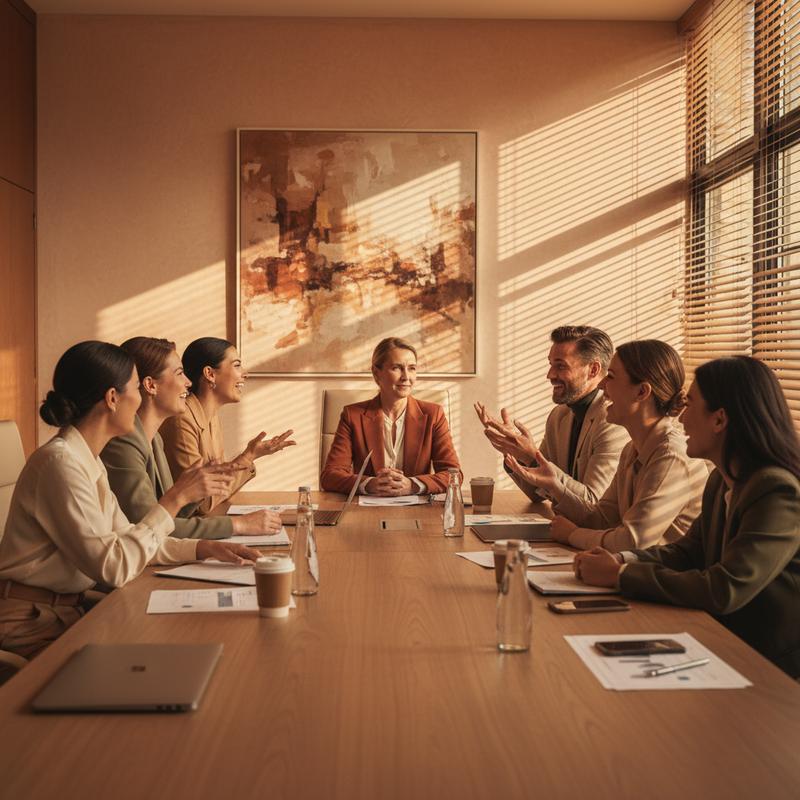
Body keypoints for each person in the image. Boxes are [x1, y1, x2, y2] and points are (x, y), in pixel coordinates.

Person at [0, 341, 260, 660]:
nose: (139, 400)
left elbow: (128, 537)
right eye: (136, 388)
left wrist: (202, 548)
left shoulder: (87, 459)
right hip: (30, 624)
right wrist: (174, 499)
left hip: (66, 613)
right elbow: (114, 566)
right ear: (112, 398)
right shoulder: (61, 464)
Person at [573, 357, 800, 678]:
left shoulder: (775, 490)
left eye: (690, 405)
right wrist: (621, 559)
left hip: (770, 666)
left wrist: (620, 575)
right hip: (720, 641)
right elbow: (688, 552)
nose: (680, 417)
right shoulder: (721, 479)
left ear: (719, 419)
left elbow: (725, 588)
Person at [508, 339, 707, 551]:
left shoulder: (671, 456)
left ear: (642, 392)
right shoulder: (632, 450)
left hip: (662, 571)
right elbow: (602, 519)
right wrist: (555, 486)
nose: (601, 385)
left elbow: (633, 541)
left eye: (610, 376)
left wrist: (572, 535)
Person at [102, 337, 283, 538]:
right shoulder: (124, 443)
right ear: (150, 386)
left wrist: (192, 490)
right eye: (179, 373)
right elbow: (148, 527)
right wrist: (238, 525)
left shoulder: (155, 440)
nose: (188, 382)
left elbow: (170, 515)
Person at [475, 325, 628, 506]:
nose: (550, 375)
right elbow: (538, 494)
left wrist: (532, 457)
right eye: (551, 365)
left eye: (560, 366)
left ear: (593, 370)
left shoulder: (613, 421)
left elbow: (593, 502)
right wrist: (516, 455)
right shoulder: (559, 416)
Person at [160, 337, 295, 514]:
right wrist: (247, 457)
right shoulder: (182, 420)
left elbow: (219, 488)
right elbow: (202, 503)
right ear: (210, 374)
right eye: (237, 365)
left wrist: (251, 455)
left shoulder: (211, 416)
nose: (245, 374)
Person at [320, 337, 461, 495]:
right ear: (376, 373)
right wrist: (369, 484)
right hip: (368, 506)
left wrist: (413, 485)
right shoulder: (353, 416)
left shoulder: (433, 414)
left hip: (418, 507)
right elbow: (330, 476)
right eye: (396, 368)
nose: (406, 377)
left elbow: (454, 475)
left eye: (412, 368)